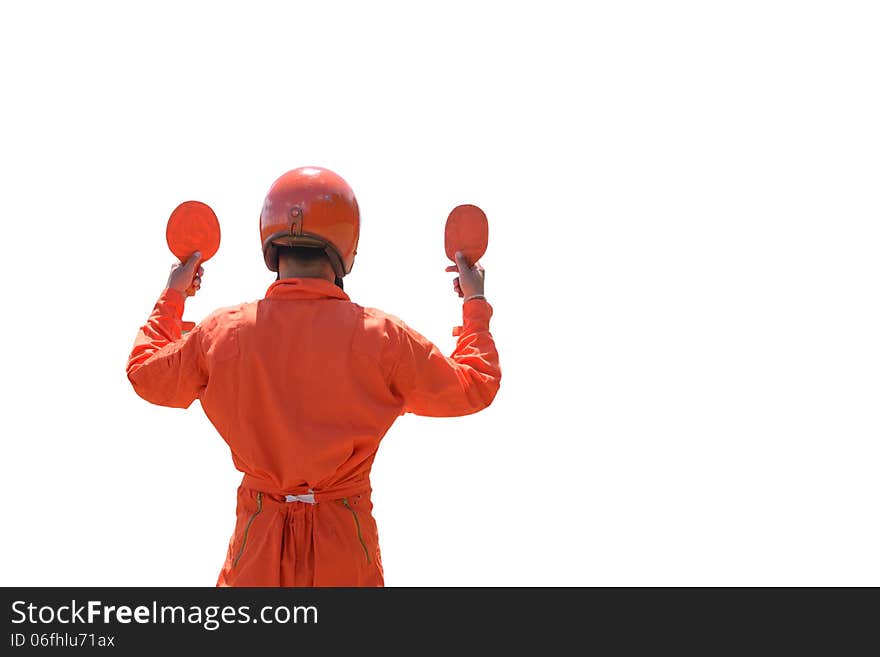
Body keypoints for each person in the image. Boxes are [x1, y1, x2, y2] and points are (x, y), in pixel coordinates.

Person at [126, 166, 501, 586]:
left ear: (270, 242)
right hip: (344, 554)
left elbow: (145, 373)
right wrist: (475, 302)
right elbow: (476, 385)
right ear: (346, 247)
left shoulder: (222, 333)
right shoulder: (381, 338)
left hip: (257, 553)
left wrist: (174, 295)